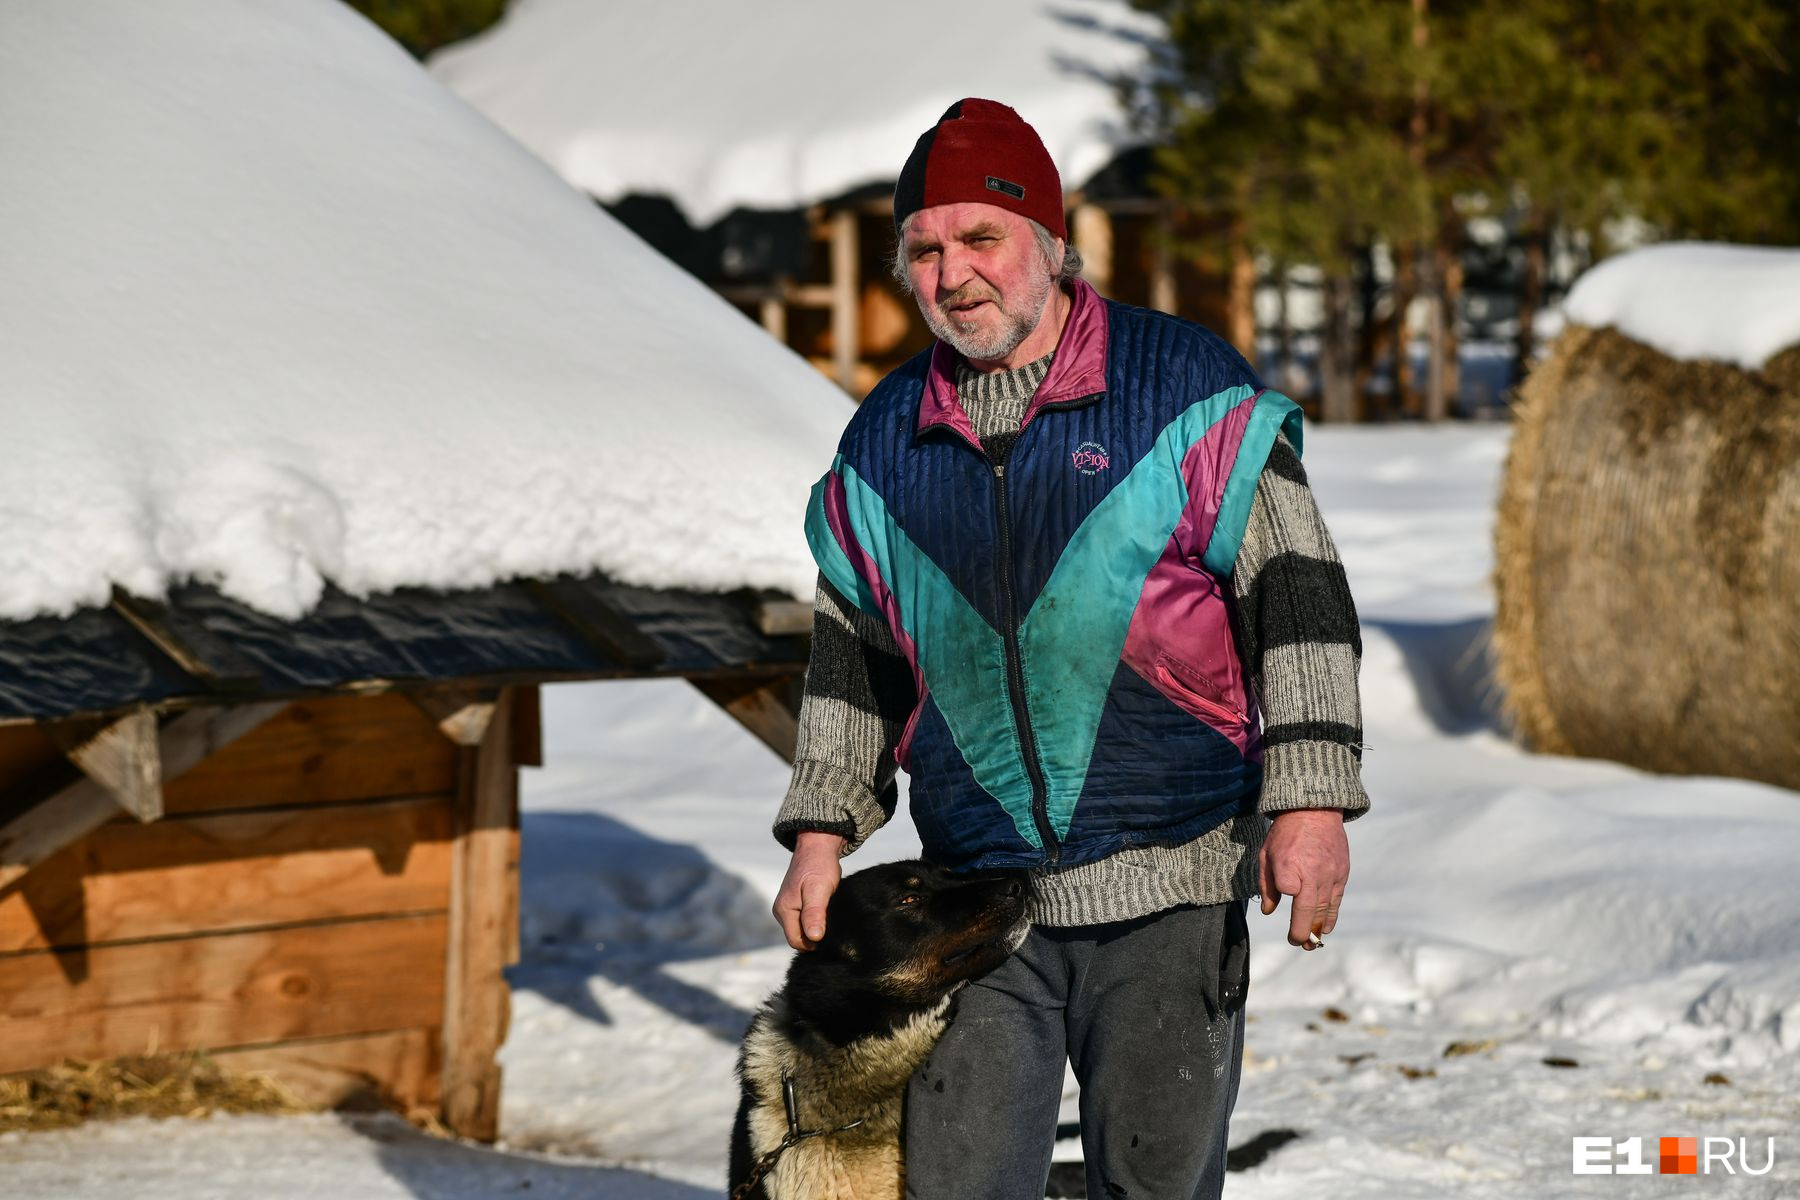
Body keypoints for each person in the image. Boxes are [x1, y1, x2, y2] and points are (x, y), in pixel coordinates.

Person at [771, 98, 1368, 1200]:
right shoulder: (885, 441)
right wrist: (821, 828)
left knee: (1152, 1182)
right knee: (960, 1185)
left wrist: (1312, 801)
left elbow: (1301, 601)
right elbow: (855, 655)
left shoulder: (1185, 389)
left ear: (1050, 243)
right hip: (980, 908)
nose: (955, 273)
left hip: (1173, 879)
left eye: (981, 238)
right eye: (926, 249)